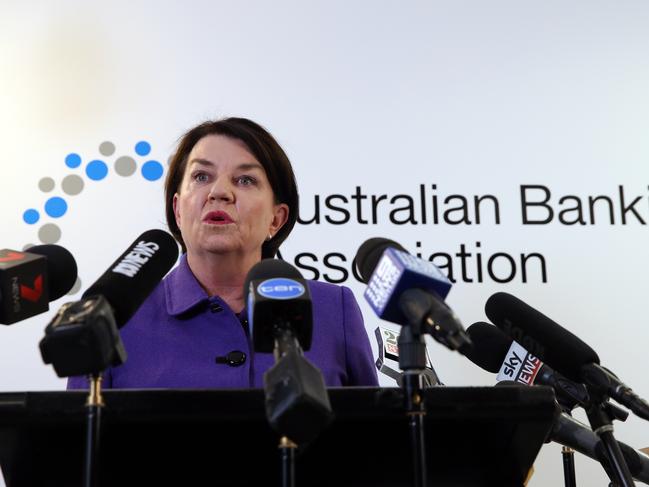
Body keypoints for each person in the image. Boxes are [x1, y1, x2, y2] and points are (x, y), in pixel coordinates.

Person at [68, 117, 378, 389]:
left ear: (277, 218)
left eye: (245, 180)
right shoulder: (115, 318)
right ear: (177, 209)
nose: (219, 192)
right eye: (201, 176)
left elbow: (374, 444)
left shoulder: (334, 310)